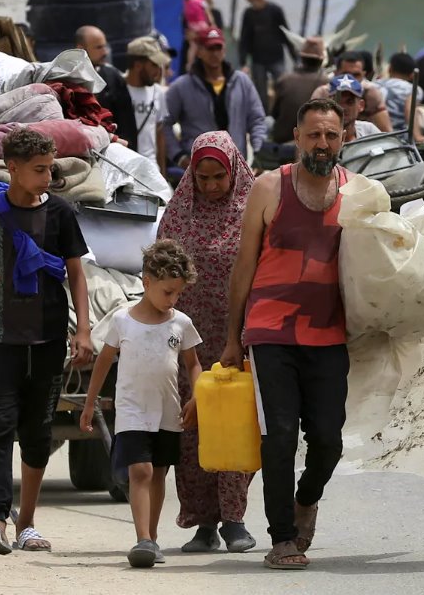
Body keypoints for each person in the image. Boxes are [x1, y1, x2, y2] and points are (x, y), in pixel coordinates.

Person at [220, 98, 354, 571]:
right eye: (314, 135)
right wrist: (233, 338)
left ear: (344, 138)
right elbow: (244, 267)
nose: (323, 143)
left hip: (330, 333)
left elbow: (378, 269)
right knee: (278, 435)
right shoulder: (268, 188)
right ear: (297, 137)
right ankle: (282, 538)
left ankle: (306, 498)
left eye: (331, 135)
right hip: (271, 329)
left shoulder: (356, 193)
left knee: (328, 440)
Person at [0, 128, 93, 555]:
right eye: (38, 170)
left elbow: (76, 273)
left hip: (50, 338)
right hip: (1, 338)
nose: (47, 176)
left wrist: (85, 330)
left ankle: (28, 524)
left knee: (38, 431)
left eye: (50, 167)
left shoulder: (60, 213)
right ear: (12, 169)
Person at [155, 132, 259, 554]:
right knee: (194, 430)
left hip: (241, 337)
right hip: (189, 344)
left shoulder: (255, 210)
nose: (213, 185)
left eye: (220, 176)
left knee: (234, 424)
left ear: (234, 170)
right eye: (204, 177)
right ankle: (202, 522)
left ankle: (234, 518)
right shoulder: (178, 216)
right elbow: (160, 271)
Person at [82, 239, 203, 568]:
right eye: (168, 292)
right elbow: (104, 362)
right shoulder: (122, 321)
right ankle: (142, 539)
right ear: (147, 283)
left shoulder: (181, 323)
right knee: (140, 470)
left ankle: (152, 538)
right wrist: (89, 404)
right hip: (132, 411)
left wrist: (198, 397)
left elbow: (192, 363)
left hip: (168, 411)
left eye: (178, 293)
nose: (173, 299)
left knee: (159, 474)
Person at [165, 28, 267, 168]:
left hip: (235, 166)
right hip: (199, 169)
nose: (215, 53)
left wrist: (258, 151)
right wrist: (179, 156)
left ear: (224, 50)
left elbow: (257, 119)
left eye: (218, 47)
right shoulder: (181, 87)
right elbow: (164, 123)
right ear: (199, 51)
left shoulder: (242, 82)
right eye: (209, 48)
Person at [106, 37, 172, 173]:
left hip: (151, 168)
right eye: (154, 65)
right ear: (137, 65)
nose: (158, 70)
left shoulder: (158, 92)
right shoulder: (115, 91)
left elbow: (159, 134)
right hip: (122, 167)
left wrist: (162, 173)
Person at [238, 0, 296, 113]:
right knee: (260, 92)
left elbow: (285, 33)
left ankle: (282, 113)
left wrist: (295, 57)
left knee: (283, 87)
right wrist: (243, 61)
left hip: (276, 58)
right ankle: (264, 117)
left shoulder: (275, 11)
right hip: (258, 60)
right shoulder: (248, 13)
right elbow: (245, 38)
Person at [310, 52, 391, 132]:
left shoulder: (371, 93)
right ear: (335, 73)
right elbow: (312, 128)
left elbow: (387, 133)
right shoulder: (323, 93)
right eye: (345, 74)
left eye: (356, 75)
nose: (350, 79)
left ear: (363, 75)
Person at [270, 37, 328, 144]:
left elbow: (274, 113)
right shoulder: (327, 84)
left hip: (282, 140)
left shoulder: (284, 80)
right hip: (310, 144)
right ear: (321, 60)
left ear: (301, 57)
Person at [377, 52, 421, 134]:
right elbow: (410, 109)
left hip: (370, 135)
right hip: (399, 138)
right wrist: (418, 137)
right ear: (412, 75)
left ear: (389, 69)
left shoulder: (374, 84)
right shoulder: (414, 89)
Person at [329, 74, 380, 142]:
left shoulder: (368, 131)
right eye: (337, 101)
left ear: (361, 105)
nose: (343, 107)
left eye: (349, 102)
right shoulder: (320, 135)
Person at [181, 0, 217, 76]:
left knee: (193, 46)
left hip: (192, 27)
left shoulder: (187, 3)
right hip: (202, 25)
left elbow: (186, 18)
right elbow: (208, 14)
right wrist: (212, 26)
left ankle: (189, 64)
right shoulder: (201, 1)